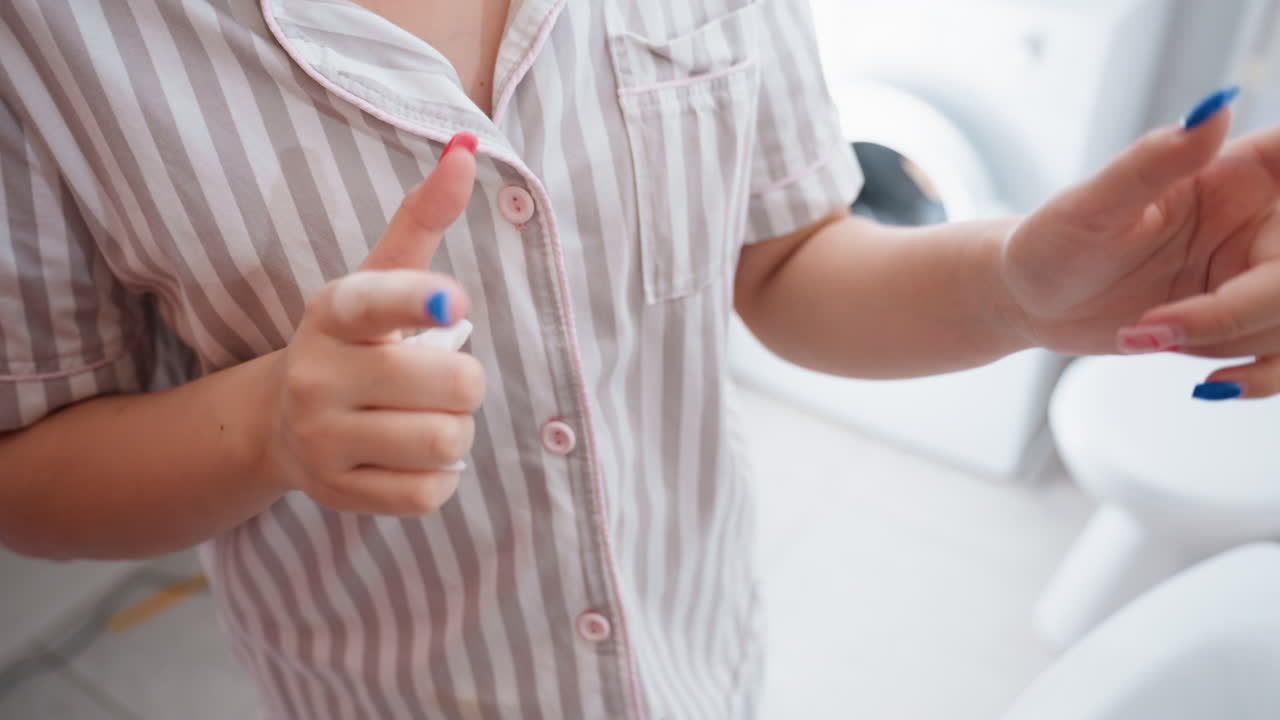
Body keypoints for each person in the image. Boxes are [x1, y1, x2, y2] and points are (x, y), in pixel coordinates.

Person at [1, 1, 1276, 718]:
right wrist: (269, 426)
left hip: (703, 669)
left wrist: (1015, 292)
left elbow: (781, 265)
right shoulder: (55, 38)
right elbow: (32, 471)